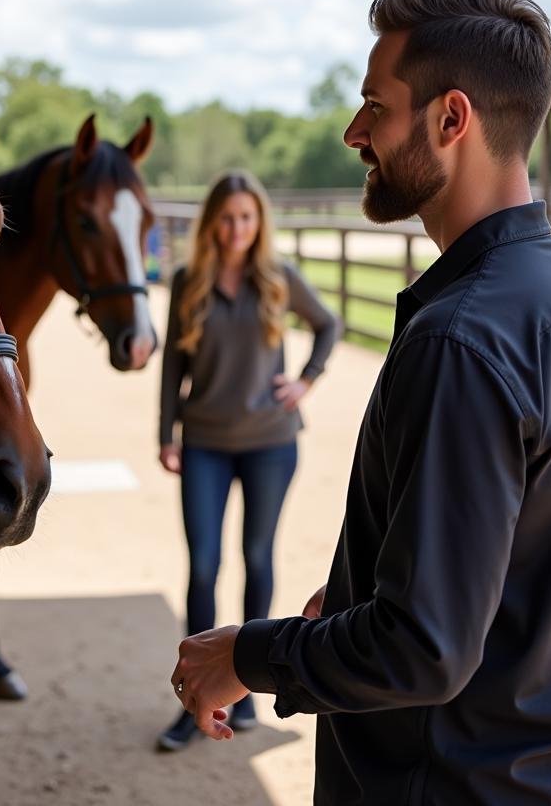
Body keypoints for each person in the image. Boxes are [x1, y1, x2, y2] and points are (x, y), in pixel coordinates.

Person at [168, 0, 551, 805]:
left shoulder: (458, 338)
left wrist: (246, 655)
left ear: (450, 119)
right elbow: (528, 558)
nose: (355, 132)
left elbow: (422, 647)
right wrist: (356, 593)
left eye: (374, 107)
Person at [156, 170, 341, 751]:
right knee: (204, 565)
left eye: (247, 217)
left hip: (270, 442)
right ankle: (193, 699)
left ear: (259, 222)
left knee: (257, 556)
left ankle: (248, 688)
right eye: (226, 217)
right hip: (206, 441)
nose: (236, 228)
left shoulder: (278, 279)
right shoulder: (188, 280)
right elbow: (171, 371)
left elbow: (328, 325)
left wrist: (306, 381)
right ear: (211, 221)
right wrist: (165, 433)